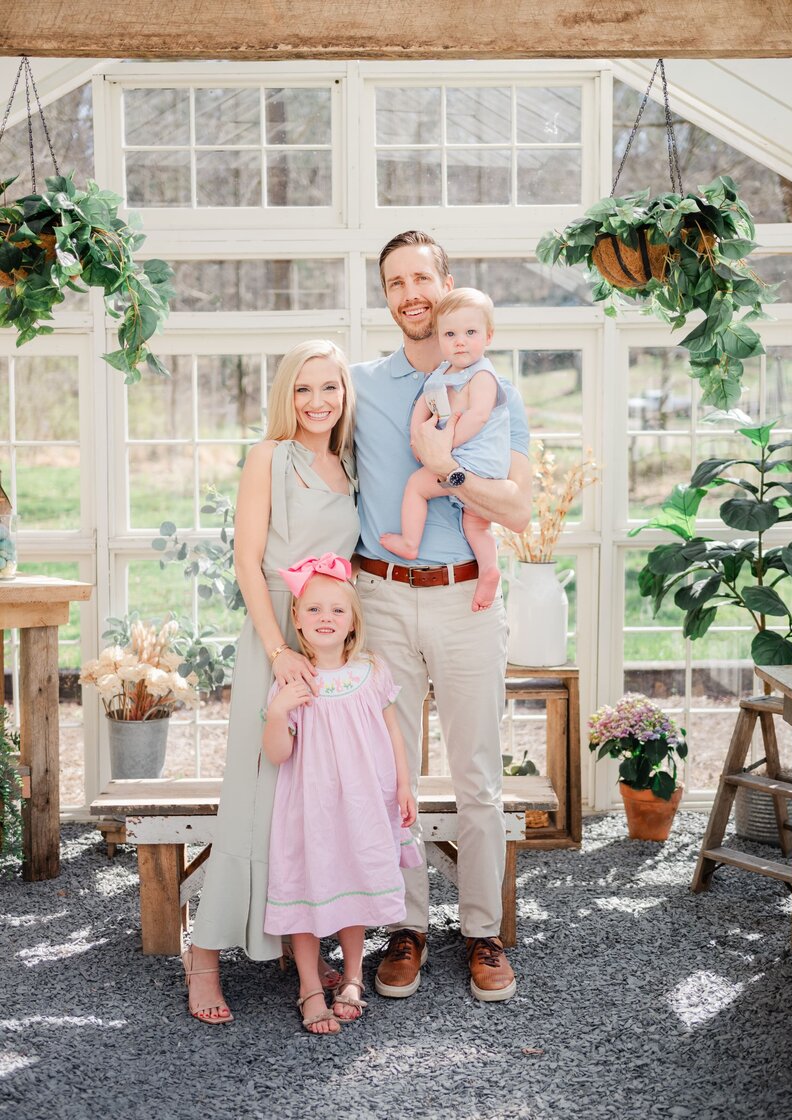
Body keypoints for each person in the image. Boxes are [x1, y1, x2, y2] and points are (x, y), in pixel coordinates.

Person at [351, 231, 532, 1002]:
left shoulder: (497, 387)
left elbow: (519, 509)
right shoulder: (359, 385)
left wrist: (445, 468)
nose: (410, 293)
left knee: (477, 779)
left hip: (466, 596)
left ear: (446, 283)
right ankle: (408, 928)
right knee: (390, 779)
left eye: (421, 278)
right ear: (387, 296)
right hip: (381, 596)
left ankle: (484, 931)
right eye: (395, 283)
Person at [182, 340, 360, 1024]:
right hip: (276, 650)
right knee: (256, 796)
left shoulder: (346, 464)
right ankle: (204, 955)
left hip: (328, 653)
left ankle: (299, 940)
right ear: (286, 394)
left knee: (312, 804)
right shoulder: (269, 458)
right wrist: (278, 648)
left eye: (331, 389)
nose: (318, 402)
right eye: (304, 389)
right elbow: (249, 563)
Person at [262, 554, 420, 1035]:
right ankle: (310, 985)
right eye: (313, 610)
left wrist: (404, 784)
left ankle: (352, 975)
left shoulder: (371, 671)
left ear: (353, 621)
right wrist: (276, 715)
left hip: (365, 803)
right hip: (310, 807)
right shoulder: (292, 680)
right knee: (307, 884)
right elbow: (277, 753)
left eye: (336, 610)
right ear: (296, 619)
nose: (325, 619)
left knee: (357, 877)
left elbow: (394, 732)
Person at [380, 287, 509, 612]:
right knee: (475, 523)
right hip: (460, 460)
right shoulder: (441, 374)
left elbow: (479, 416)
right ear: (438, 338)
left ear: (488, 336)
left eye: (470, 333)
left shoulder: (483, 375)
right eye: (450, 334)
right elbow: (421, 407)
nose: (460, 341)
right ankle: (489, 568)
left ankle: (410, 543)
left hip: (474, 460)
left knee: (416, 486)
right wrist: (415, 437)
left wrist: (441, 446)